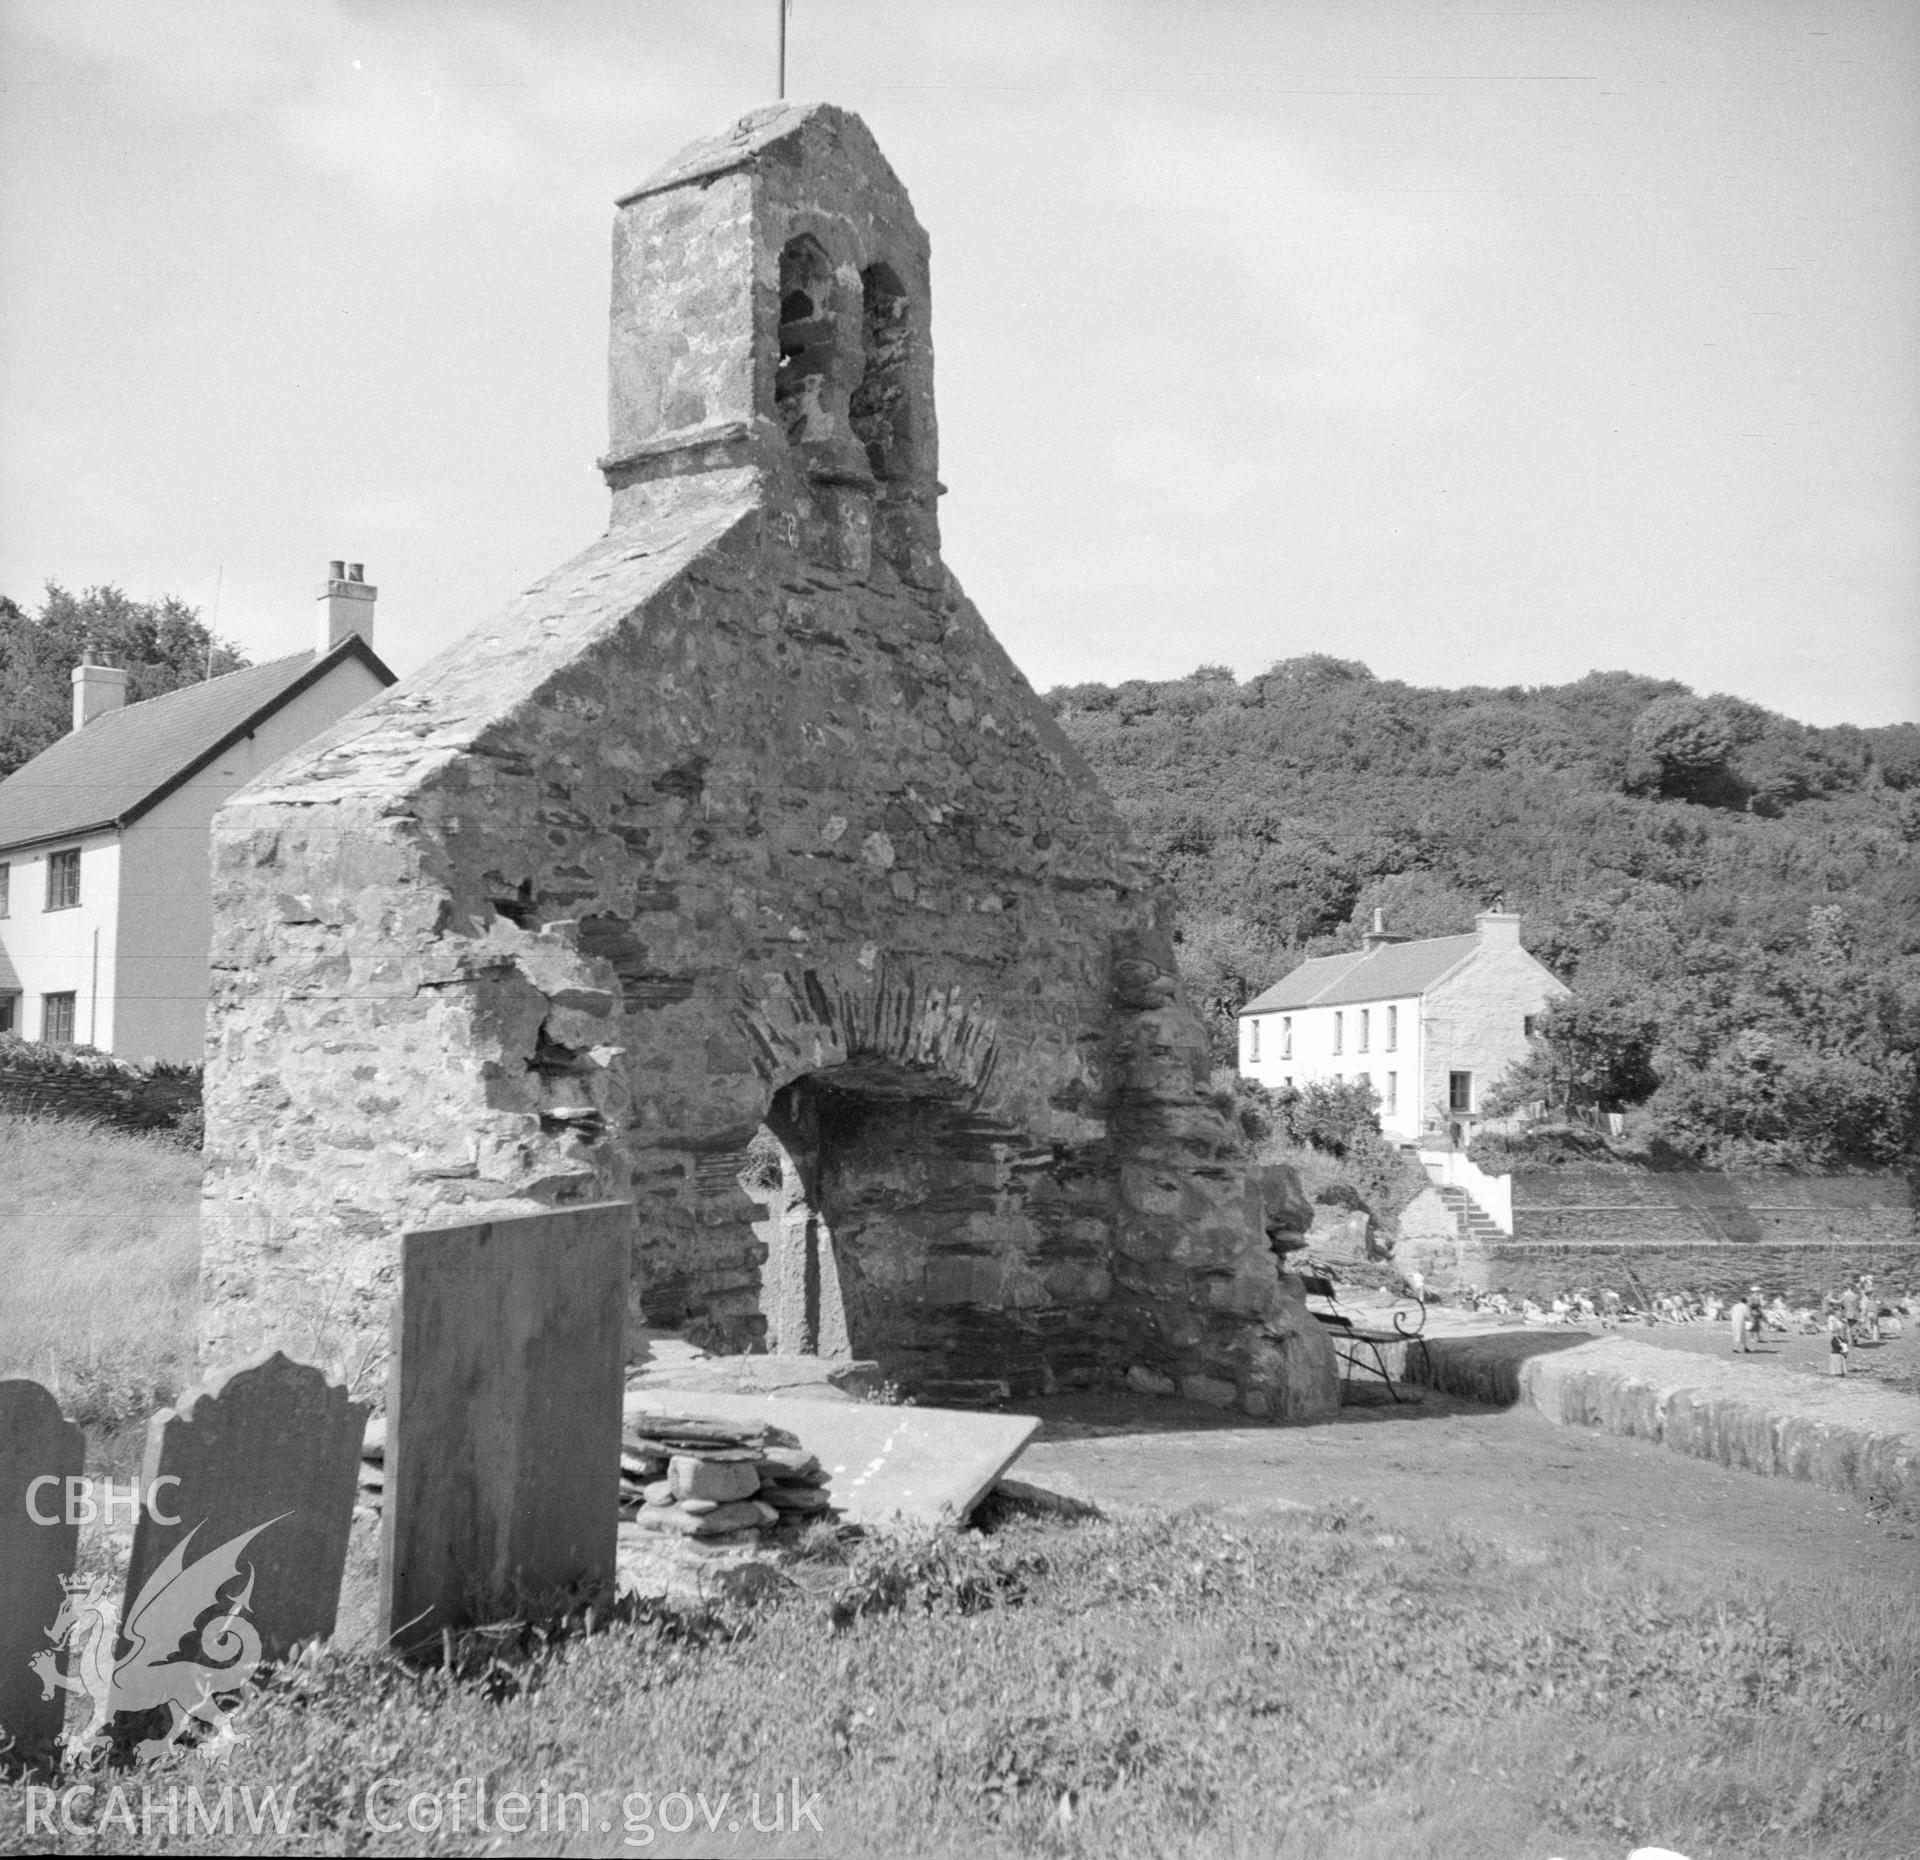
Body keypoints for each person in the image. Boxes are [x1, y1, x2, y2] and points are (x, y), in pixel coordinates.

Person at [1828, 1309, 1850, 1377]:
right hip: (1836, 1338)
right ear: (1835, 1315)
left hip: (1843, 1338)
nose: (1839, 1315)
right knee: (1836, 1353)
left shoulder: (1844, 1321)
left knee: (1844, 1354)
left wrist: (1848, 1339)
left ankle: (1843, 1369)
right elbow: (1831, 1329)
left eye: (1840, 1314)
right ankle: (1836, 1370)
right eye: (1837, 1314)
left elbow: (1847, 1330)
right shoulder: (1832, 1321)